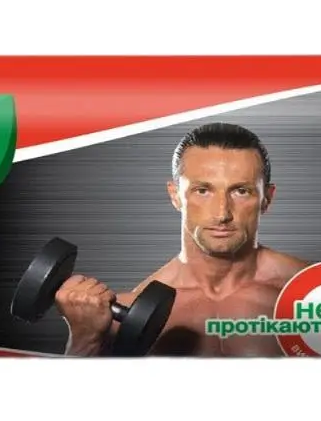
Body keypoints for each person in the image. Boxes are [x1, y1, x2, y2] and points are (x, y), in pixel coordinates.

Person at [56, 123, 308, 356]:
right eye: (203, 190)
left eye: (241, 191)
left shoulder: (315, 292)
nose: (222, 213)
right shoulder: (125, 313)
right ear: (175, 195)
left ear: (267, 198)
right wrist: (85, 339)